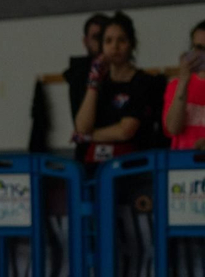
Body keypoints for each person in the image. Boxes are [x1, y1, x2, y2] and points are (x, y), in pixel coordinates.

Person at [74, 12, 166, 166]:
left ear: (131, 44)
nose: (114, 47)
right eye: (108, 41)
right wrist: (94, 81)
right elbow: (82, 127)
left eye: (121, 40)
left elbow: (125, 131)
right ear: (102, 46)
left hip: (131, 165)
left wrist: (88, 137)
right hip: (95, 165)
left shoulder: (143, 82)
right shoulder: (98, 83)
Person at [163, 20, 205, 149]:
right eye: (199, 48)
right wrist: (184, 82)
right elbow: (173, 128)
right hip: (183, 165)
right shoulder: (176, 85)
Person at [65, 13, 112, 120]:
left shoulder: (123, 72)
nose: (101, 43)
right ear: (86, 41)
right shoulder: (78, 75)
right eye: (96, 37)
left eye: (105, 38)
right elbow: (81, 126)